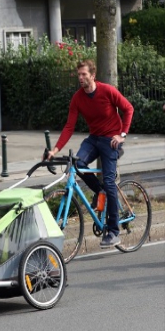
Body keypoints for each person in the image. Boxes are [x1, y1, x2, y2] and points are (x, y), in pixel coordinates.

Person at [47, 59, 133, 248]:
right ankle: (99, 191)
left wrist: (122, 135)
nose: (80, 77)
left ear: (92, 76)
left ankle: (113, 232)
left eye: (84, 74)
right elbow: (69, 126)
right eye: (78, 74)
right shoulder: (77, 98)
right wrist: (55, 150)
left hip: (111, 139)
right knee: (77, 164)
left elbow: (128, 108)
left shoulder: (107, 91)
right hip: (94, 138)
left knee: (109, 182)